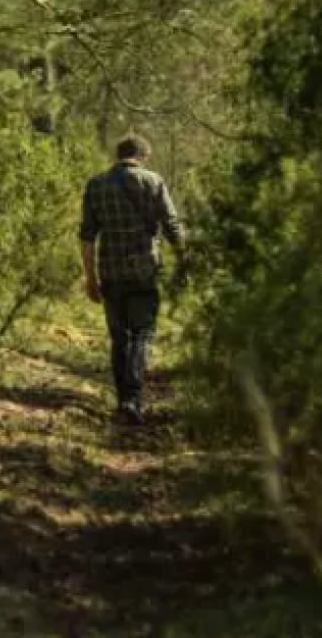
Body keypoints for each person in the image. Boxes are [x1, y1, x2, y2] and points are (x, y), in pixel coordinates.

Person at [79, 134, 185, 425]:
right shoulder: (153, 181)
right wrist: (184, 262)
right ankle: (132, 400)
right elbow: (172, 226)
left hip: (110, 272)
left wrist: (90, 278)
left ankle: (122, 398)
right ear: (142, 156)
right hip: (144, 272)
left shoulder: (96, 185)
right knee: (141, 335)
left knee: (119, 337)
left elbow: (87, 237)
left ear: (119, 155)